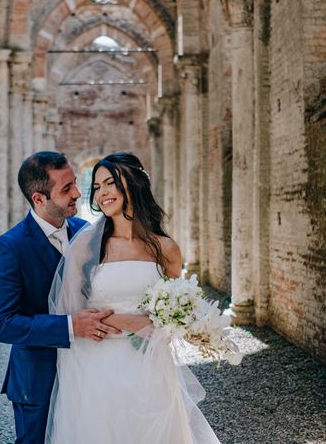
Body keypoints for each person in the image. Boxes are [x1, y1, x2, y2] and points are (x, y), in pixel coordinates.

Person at [46, 152, 220, 444]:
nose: (102, 193)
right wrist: (130, 320)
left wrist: (195, 329)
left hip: (150, 368)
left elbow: (175, 313)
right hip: (97, 365)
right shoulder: (86, 248)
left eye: (110, 183)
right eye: (97, 187)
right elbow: (72, 315)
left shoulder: (166, 249)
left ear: (134, 185)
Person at [0, 152, 121, 444]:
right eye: (66, 189)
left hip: (92, 370)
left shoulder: (86, 233)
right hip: (38, 380)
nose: (76, 193)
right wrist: (71, 327)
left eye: (74, 183)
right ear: (39, 199)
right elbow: (1, 324)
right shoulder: (9, 247)